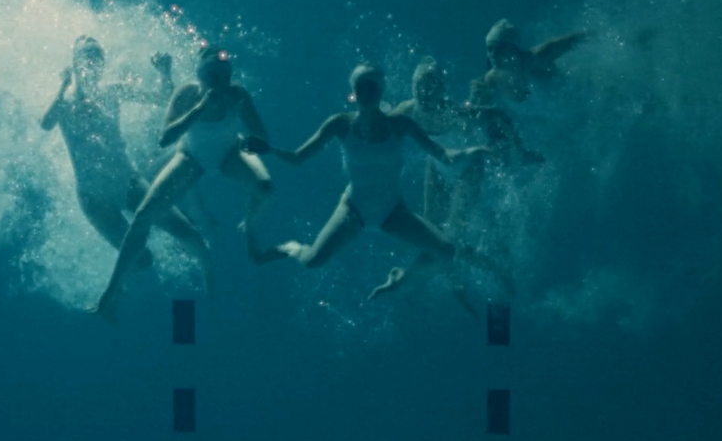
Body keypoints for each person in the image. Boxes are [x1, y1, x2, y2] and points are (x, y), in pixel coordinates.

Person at [246, 63, 487, 292]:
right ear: (353, 91)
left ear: (381, 91)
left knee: (445, 251)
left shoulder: (400, 124)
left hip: (392, 211)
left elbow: (443, 154)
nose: (366, 92)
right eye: (360, 86)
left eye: (372, 87)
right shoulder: (340, 123)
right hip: (354, 208)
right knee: (311, 261)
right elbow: (298, 158)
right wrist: (269, 149)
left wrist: (474, 151)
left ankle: (400, 279)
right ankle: (291, 248)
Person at [91, 45, 273, 319]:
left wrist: (257, 144)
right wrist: (199, 109)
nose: (215, 82)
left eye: (221, 75)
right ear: (200, 76)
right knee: (143, 216)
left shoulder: (239, 95)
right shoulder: (187, 93)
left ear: (228, 76)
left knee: (266, 188)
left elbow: (262, 136)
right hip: (191, 158)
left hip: (229, 154)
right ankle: (111, 289)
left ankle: (249, 227)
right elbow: (164, 138)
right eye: (209, 75)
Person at [41, 36, 211, 286]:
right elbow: (46, 123)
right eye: (88, 57)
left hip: (128, 183)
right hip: (93, 199)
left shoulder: (113, 91)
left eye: (98, 58)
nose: (93, 64)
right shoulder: (63, 102)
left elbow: (163, 99)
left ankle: (209, 272)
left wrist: (165, 72)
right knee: (142, 260)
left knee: (187, 232)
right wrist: (62, 85)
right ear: (75, 64)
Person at [372, 58, 531, 304]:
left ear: (441, 90)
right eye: (419, 87)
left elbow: (499, 116)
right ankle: (454, 281)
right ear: (413, 89)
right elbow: (381, 128)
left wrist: (520, 151)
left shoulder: (455, 113)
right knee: (431, 239)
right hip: (436, 168)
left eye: (430, 87)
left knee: (452, 240)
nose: (425, 94)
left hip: (468, 169)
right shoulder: (408, 110)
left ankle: (496, 269)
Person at [470, 19, 587, 107]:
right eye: (489, 49)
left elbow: (574, 39)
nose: (492, 55)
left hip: (571, 97)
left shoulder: (536, 58)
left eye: (499, 49)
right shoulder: (491, 80)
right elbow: (479, 112)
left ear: (513, 49)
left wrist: (600, 36)